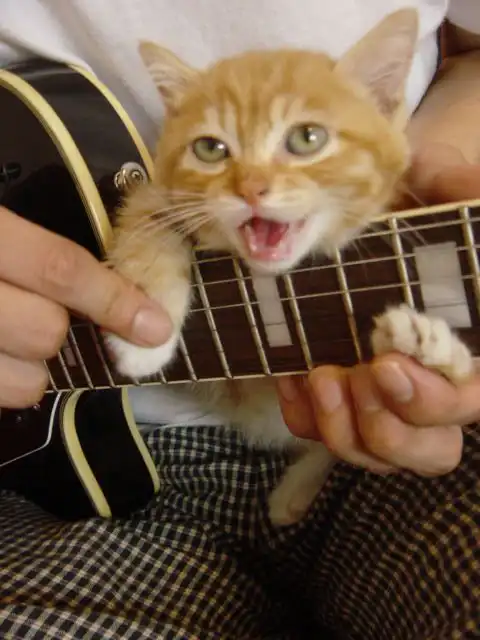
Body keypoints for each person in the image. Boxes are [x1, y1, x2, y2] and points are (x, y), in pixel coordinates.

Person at [0, 1, 478, 638]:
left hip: (391, 437)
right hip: (96, 451)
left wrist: (435, 164)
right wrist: (152, 248)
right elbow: (157, 201)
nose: (253, 184)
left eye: (303, 139)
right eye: (213, 148)